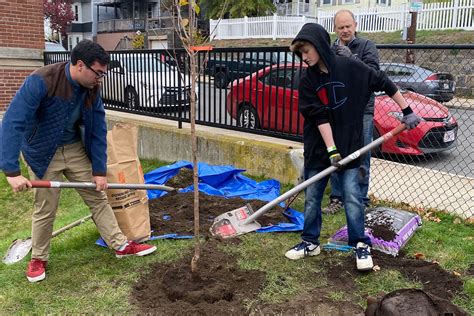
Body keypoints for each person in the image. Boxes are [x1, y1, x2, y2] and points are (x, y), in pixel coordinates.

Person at [1, 40, 157, 283]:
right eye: (98, 73)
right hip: (42, 152)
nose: (101, 79)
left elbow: (97, 129)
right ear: (80, 65)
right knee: (46, 207)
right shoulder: (42, 81)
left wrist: (99, 170)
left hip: (73, 148)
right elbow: (13, 122)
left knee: (98, 196)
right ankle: (39, 258)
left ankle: (120, 245)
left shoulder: (91, 88)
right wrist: (11, 171)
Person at [284, 23, 420, 271]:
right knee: (313, 198)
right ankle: (310, 242)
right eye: (300, 53)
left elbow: (384, 81)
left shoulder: (351, 68)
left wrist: (407, 110)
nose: (303, 58)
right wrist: (331, 150)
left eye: (306, 51)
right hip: (319, 147)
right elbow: (319, 117)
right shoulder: (307, 80)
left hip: (350, 147)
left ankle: (360, 244)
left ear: (319, 45)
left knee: (353, 197)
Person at [323, 9, 380, 215]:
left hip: (362, 111)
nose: (345, 30)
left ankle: (361, 199)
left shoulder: (367, 47)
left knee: (362, 155)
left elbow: (373, 76)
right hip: (338, 111)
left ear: (355, 25)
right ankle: (337, 198)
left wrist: (351, 59)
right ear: (335, 29)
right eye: (341, 27)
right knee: (337, 154)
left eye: (348, 26)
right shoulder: (330, 49)